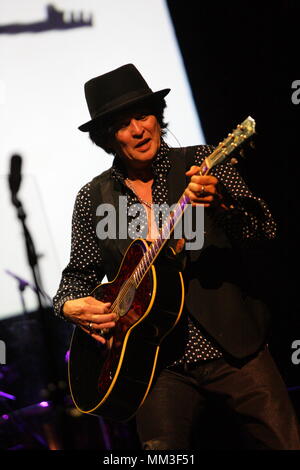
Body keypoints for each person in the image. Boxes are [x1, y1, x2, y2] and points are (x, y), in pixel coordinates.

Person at [53, 64, 300, 450]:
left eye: (143, 115)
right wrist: (67, 305)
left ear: (158, 117)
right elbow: (75, 278)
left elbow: (263, 234)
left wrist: (222, 204)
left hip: (233, 347)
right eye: (122, 124)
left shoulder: (202, 163)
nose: (138, 129)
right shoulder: (92, 199)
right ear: (106, 137)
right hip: (155, 364)